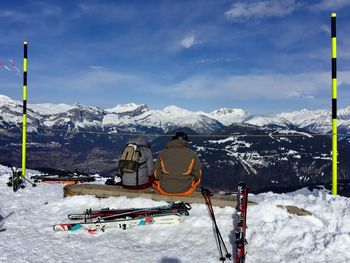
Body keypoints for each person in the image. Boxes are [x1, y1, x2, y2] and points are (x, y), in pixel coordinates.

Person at [152, 131, 202, 196]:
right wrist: (189, 179)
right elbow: (198, 174)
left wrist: (162, 177)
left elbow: (156, 173)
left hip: (164, 189)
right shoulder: (192, 154)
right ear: (186, 141)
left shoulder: (163, 153)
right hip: (186, 190)